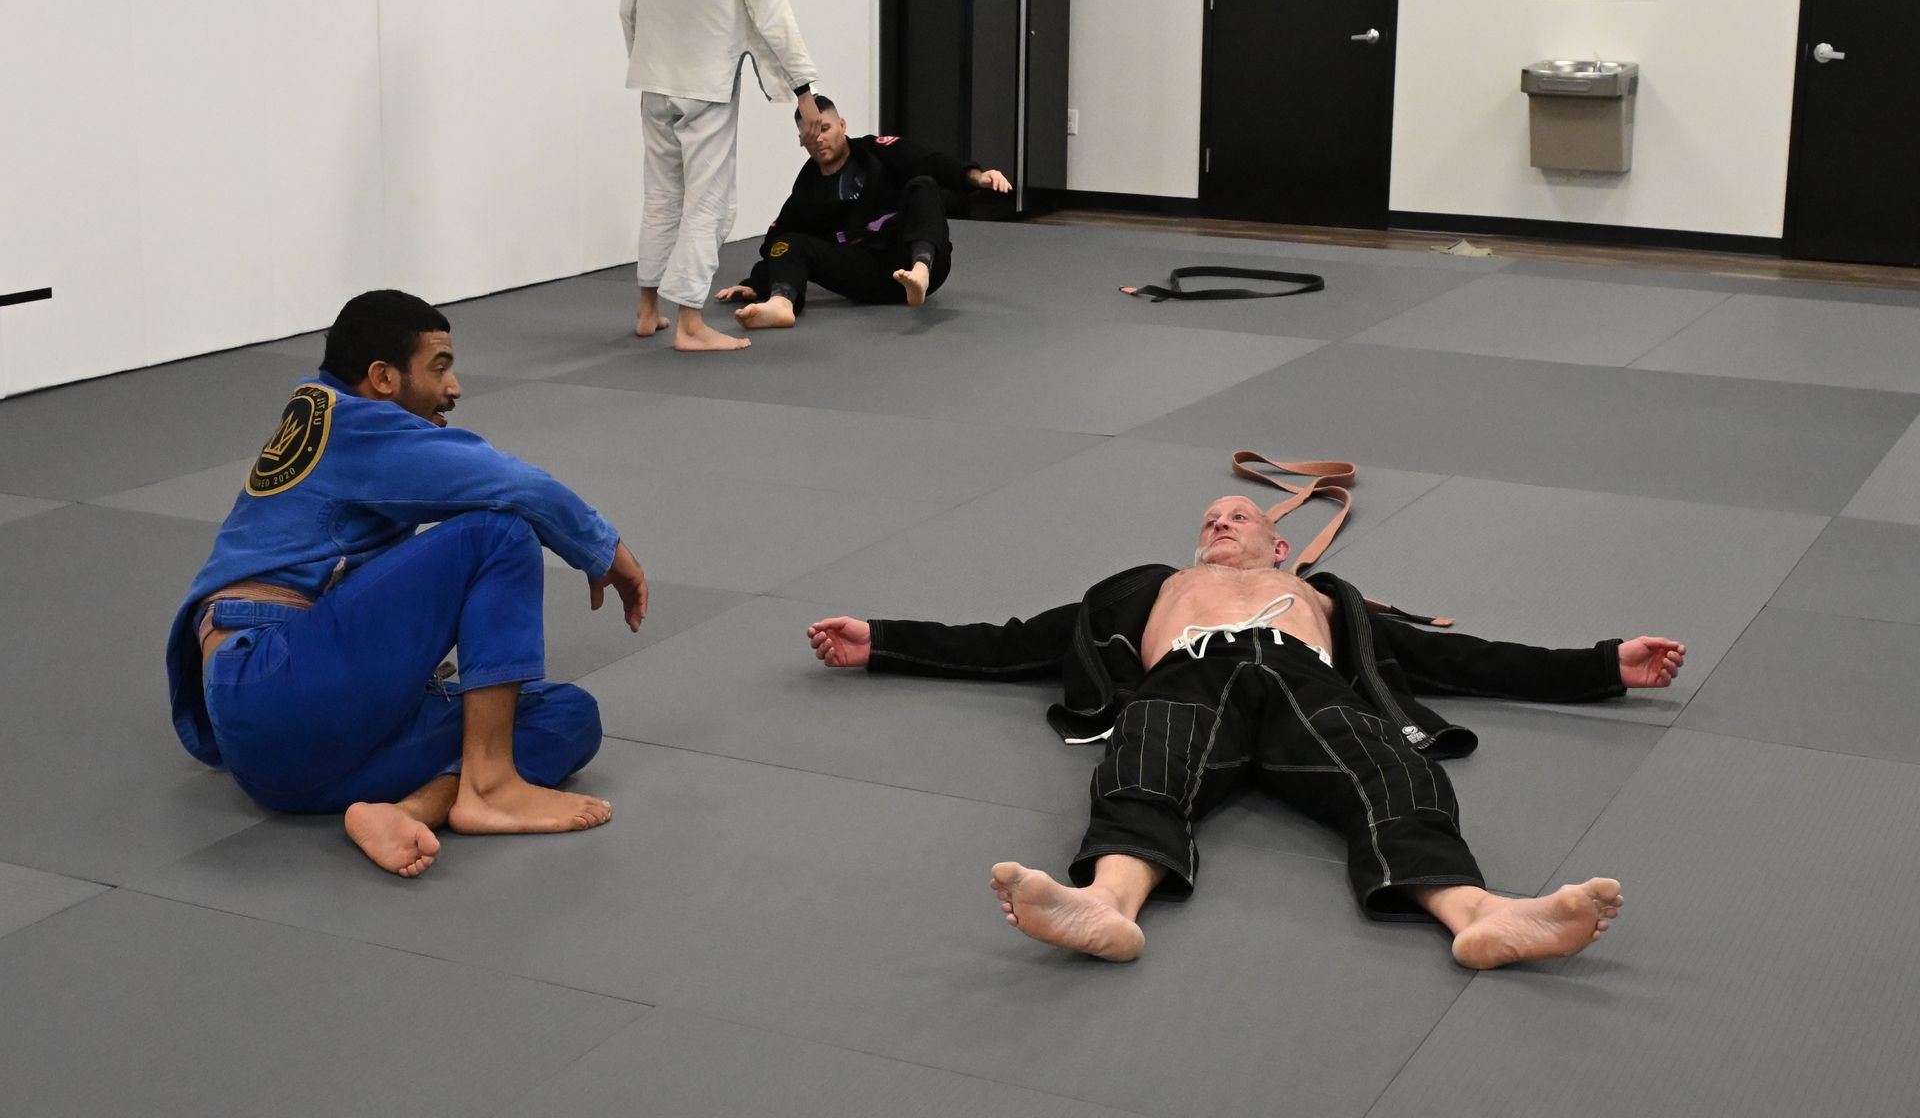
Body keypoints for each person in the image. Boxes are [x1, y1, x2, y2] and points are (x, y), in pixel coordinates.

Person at [807, 495, 1686, 967]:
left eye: (1238, 518)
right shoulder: (1145, 589)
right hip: (1189, 675)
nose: (1218, 525)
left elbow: (1472, 661)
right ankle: (1108, 906)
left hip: (1302, 678)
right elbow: (1008, 644)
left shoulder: (1327, 597)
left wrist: (1604, 664)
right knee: (1146, 758)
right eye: (1207, 520)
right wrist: (882, 640)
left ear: (1279, 542)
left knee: (1390, 774)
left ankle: (1481, 915)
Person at [164, 290, 651, 879]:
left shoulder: (326, 415)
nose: (455, 388)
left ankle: (408, 809)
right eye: (440, 367)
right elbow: (513, 484)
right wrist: (604, 550)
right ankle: (492, 784)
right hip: (274, 683)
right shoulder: (354, 423)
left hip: (297, 761)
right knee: (500, 534)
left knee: (568, 715)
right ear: (383, 377)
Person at [620, 0, 825, 352]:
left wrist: (645, 58)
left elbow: (629, 4)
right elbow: (773, 17)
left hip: (654, 77)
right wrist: (805, 93)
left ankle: (648, 311)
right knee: (708, 202)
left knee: (662, 195)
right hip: (705, 84)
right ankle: (690, 322)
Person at [712, 96, 1011, 328]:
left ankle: (919, 272)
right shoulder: (807, 190)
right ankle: (781, 304)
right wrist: (755, 285)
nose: (818, 139)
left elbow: (929, 161)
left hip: (918, 261)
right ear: (801, 141)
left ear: (842, 125)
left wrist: (976, 176)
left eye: (825, 128)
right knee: (790, 241)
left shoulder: (877, 152)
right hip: (868, 274)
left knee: (923, 184)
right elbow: (779, 243)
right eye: (809, 135)